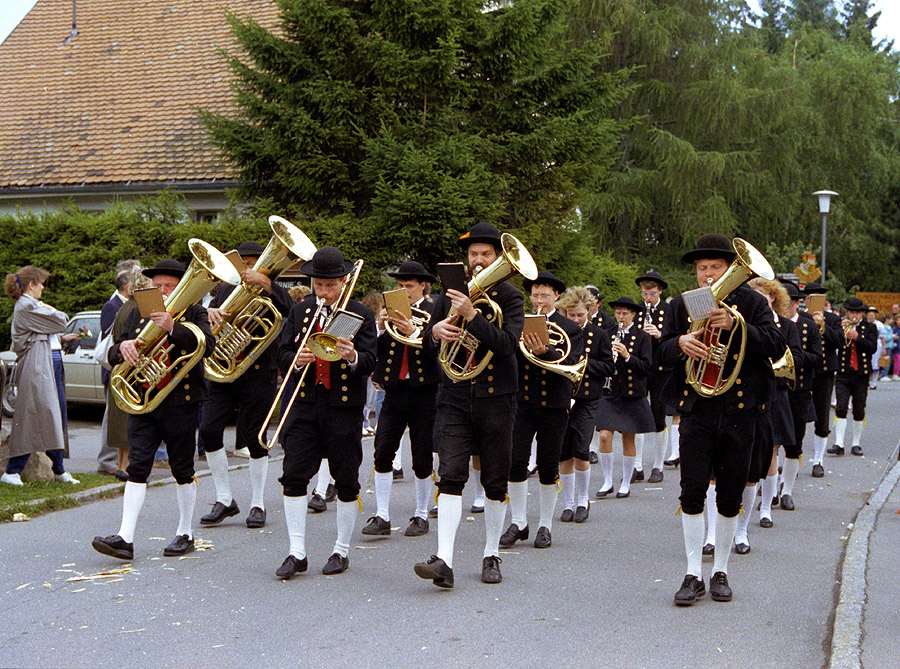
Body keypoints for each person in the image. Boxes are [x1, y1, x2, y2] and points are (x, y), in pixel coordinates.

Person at [660, 234, 784, 606]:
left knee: (730, 494)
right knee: (692, 491)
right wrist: (679, 344)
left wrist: (737, 326)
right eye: (702, 268)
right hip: (697, 409)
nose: (708, 274)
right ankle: (692, 573)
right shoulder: (682, 304)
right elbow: (659, 352)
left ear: (730, 269)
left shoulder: (752, 302)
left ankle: (721, 571)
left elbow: (776, 345)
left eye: (716, 267)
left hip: (739, 412)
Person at [413, 222, 525, 588]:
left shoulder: (510, 297)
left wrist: (473, 317)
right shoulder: (450, 294)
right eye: (473, 254)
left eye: (486, 254)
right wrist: (434, 333)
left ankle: (491, 553)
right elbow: (428, 342)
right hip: (455, 396)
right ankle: (443, 559)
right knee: (450, 475)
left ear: (498, 257)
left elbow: (507, 346)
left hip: (496, 398)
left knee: (494, 480)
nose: (478, 260)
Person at [92, 259, 215, 560]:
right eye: (158, 285)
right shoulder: (138, 311)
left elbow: (207, 346)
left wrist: (173, 327)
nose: (163, 290)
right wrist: (121, 348)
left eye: (169, 286)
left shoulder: (194, 312)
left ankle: (185, 532)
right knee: (137, 467)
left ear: (181, 287)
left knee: (182, 468)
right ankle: (125, 538)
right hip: (144, 398)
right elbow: (114, 349)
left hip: (181, 401)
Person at [273, 246, 377, 579]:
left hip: (343, 407)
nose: (324, 292)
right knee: (293, 475)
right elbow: (281, 352)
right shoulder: (301, 310)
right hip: (304, 403)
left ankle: (341, 549)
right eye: (318, 285)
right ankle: (296, 551)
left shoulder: (360, 314)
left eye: (330, 286)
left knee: (346, 479)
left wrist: (352, 356)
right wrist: (295, 359)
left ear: (344, 282)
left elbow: (371, 361)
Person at [198, 241, 293, 530]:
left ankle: (258, 503)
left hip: (259, 372)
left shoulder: (272, 288)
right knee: (209, 430)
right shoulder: (226, 289)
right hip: (225, 370)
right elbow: (210, 319)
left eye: (253, 263)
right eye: (245, 264)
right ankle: (224, 498)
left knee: (255, 438)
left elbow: (291, 311)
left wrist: (266, 283)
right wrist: (210, 314)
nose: (248, 269)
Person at [500, 271, 583, 550]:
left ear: (556, 296)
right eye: (535, 295)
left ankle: (545, 524)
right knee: (516, 461)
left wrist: (545, 352)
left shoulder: (569, 328)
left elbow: (571, 362)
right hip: (523, 401)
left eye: (545, 296)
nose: (539, 301)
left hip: (555, 403)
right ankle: (518, 521)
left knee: (548, 465)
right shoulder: (520, 322)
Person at [362, 261, 440, 538]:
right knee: (383, 450)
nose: (403, 290)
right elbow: (373, 347)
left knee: (422, 454)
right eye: (400, 285)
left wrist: (413, 332)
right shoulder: (391, 311)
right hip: (394, 389)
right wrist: (381, 327)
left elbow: (438, 349)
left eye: (409, 285)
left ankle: (421, 514)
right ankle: (382, 515)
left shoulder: (434, 311)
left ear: (423, 286)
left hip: (425, 390)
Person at [2, 266, 80, 486]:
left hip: (47, 362)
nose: (43, 288)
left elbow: (46, 331)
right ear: (31, 284)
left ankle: (58, 469)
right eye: (41, 283)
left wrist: (60, 339)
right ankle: (13, 470)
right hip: (38, 366)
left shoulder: (31, 306)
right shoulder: (27, 306)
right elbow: (61, 320)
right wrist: (50, 309)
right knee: (36, 414)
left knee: (55, 414)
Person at [557, 287, 614, 523]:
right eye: (571, 315)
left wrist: (586, 363)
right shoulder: (558, 332)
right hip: (562, 398)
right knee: (563, 454)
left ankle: (582, 500)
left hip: (588, 399)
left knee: (581, 450)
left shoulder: (599, 335)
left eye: (580, 315)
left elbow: (609, 367)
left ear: (589, 311)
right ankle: (568, 504)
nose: (576, 319)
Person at [593, 296, 653, 499]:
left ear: (633, 314)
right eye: (618, 313)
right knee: (604, 436)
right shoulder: (607, 334)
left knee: (628, 438)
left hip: (632, 393)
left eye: (625, 313)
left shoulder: (642, 337)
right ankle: (607, 480)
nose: (621, 317)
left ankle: (626, 482)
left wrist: (627, 356)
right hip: (610, 392)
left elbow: (646, 368)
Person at [777, 280, 822, 511]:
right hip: (775, 390)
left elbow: (818, 358)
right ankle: (770, 487)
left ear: (796, 304)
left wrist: (795, 357)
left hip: (799, 391)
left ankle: (787, 491)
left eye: (789, 303)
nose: (785, 307)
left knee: (794, 443)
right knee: (770, 443)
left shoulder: (809, 326)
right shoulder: (772, 324)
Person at [826, 298, 878, 457]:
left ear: (862, 313)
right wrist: (840, 332)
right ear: (847, 312)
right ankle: (839, 443)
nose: (854, 315)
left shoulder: (870, 327)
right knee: (841, 407)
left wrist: (857, 337)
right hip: (843, 373)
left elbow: (872, 347)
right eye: (851, 312)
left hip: (861, 374)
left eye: (857, 312)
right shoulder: (841, 326)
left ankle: (856, 443)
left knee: (859, 409)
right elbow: (833, 343)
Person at [96, 268, 134, 479]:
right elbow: (110, 335)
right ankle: (107, 462)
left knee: (116, 420)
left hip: (117, 365)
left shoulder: (122, 305)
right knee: (113, 421)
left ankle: (116, 463)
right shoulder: (112, 306)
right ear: (128, 287)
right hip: (114, 366)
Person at [803, 282, 843, 477]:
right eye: (810, 297)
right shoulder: (800, 318)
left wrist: (823, 326)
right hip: (804, 371)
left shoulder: (833, 319)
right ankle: (793, 458)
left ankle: (818, 460)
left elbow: (840, 341)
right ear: (805, 300)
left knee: (822, 415)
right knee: (798, 416)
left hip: (825, 373)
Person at [635, 270, 670, 483]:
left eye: (652, 293)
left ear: (660, 292)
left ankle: (658, 465)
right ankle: (637, 465)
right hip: (641, 368)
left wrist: (659, 334)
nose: (648, 298)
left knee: (659, 417)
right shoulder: (637, 311)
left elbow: (675, 338)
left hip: (661, 368)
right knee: (638, 416)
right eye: (645, 294)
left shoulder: (669, 310)